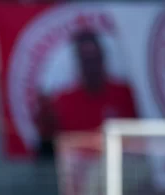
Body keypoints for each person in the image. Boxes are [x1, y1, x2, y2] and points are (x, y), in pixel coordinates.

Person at [35, 30, 138, 158]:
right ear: (79, 62)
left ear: (102, 58)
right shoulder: (62, 102)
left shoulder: (125, 95)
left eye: (95, 58)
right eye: (86, 60)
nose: (92, 66)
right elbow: (48, 148)